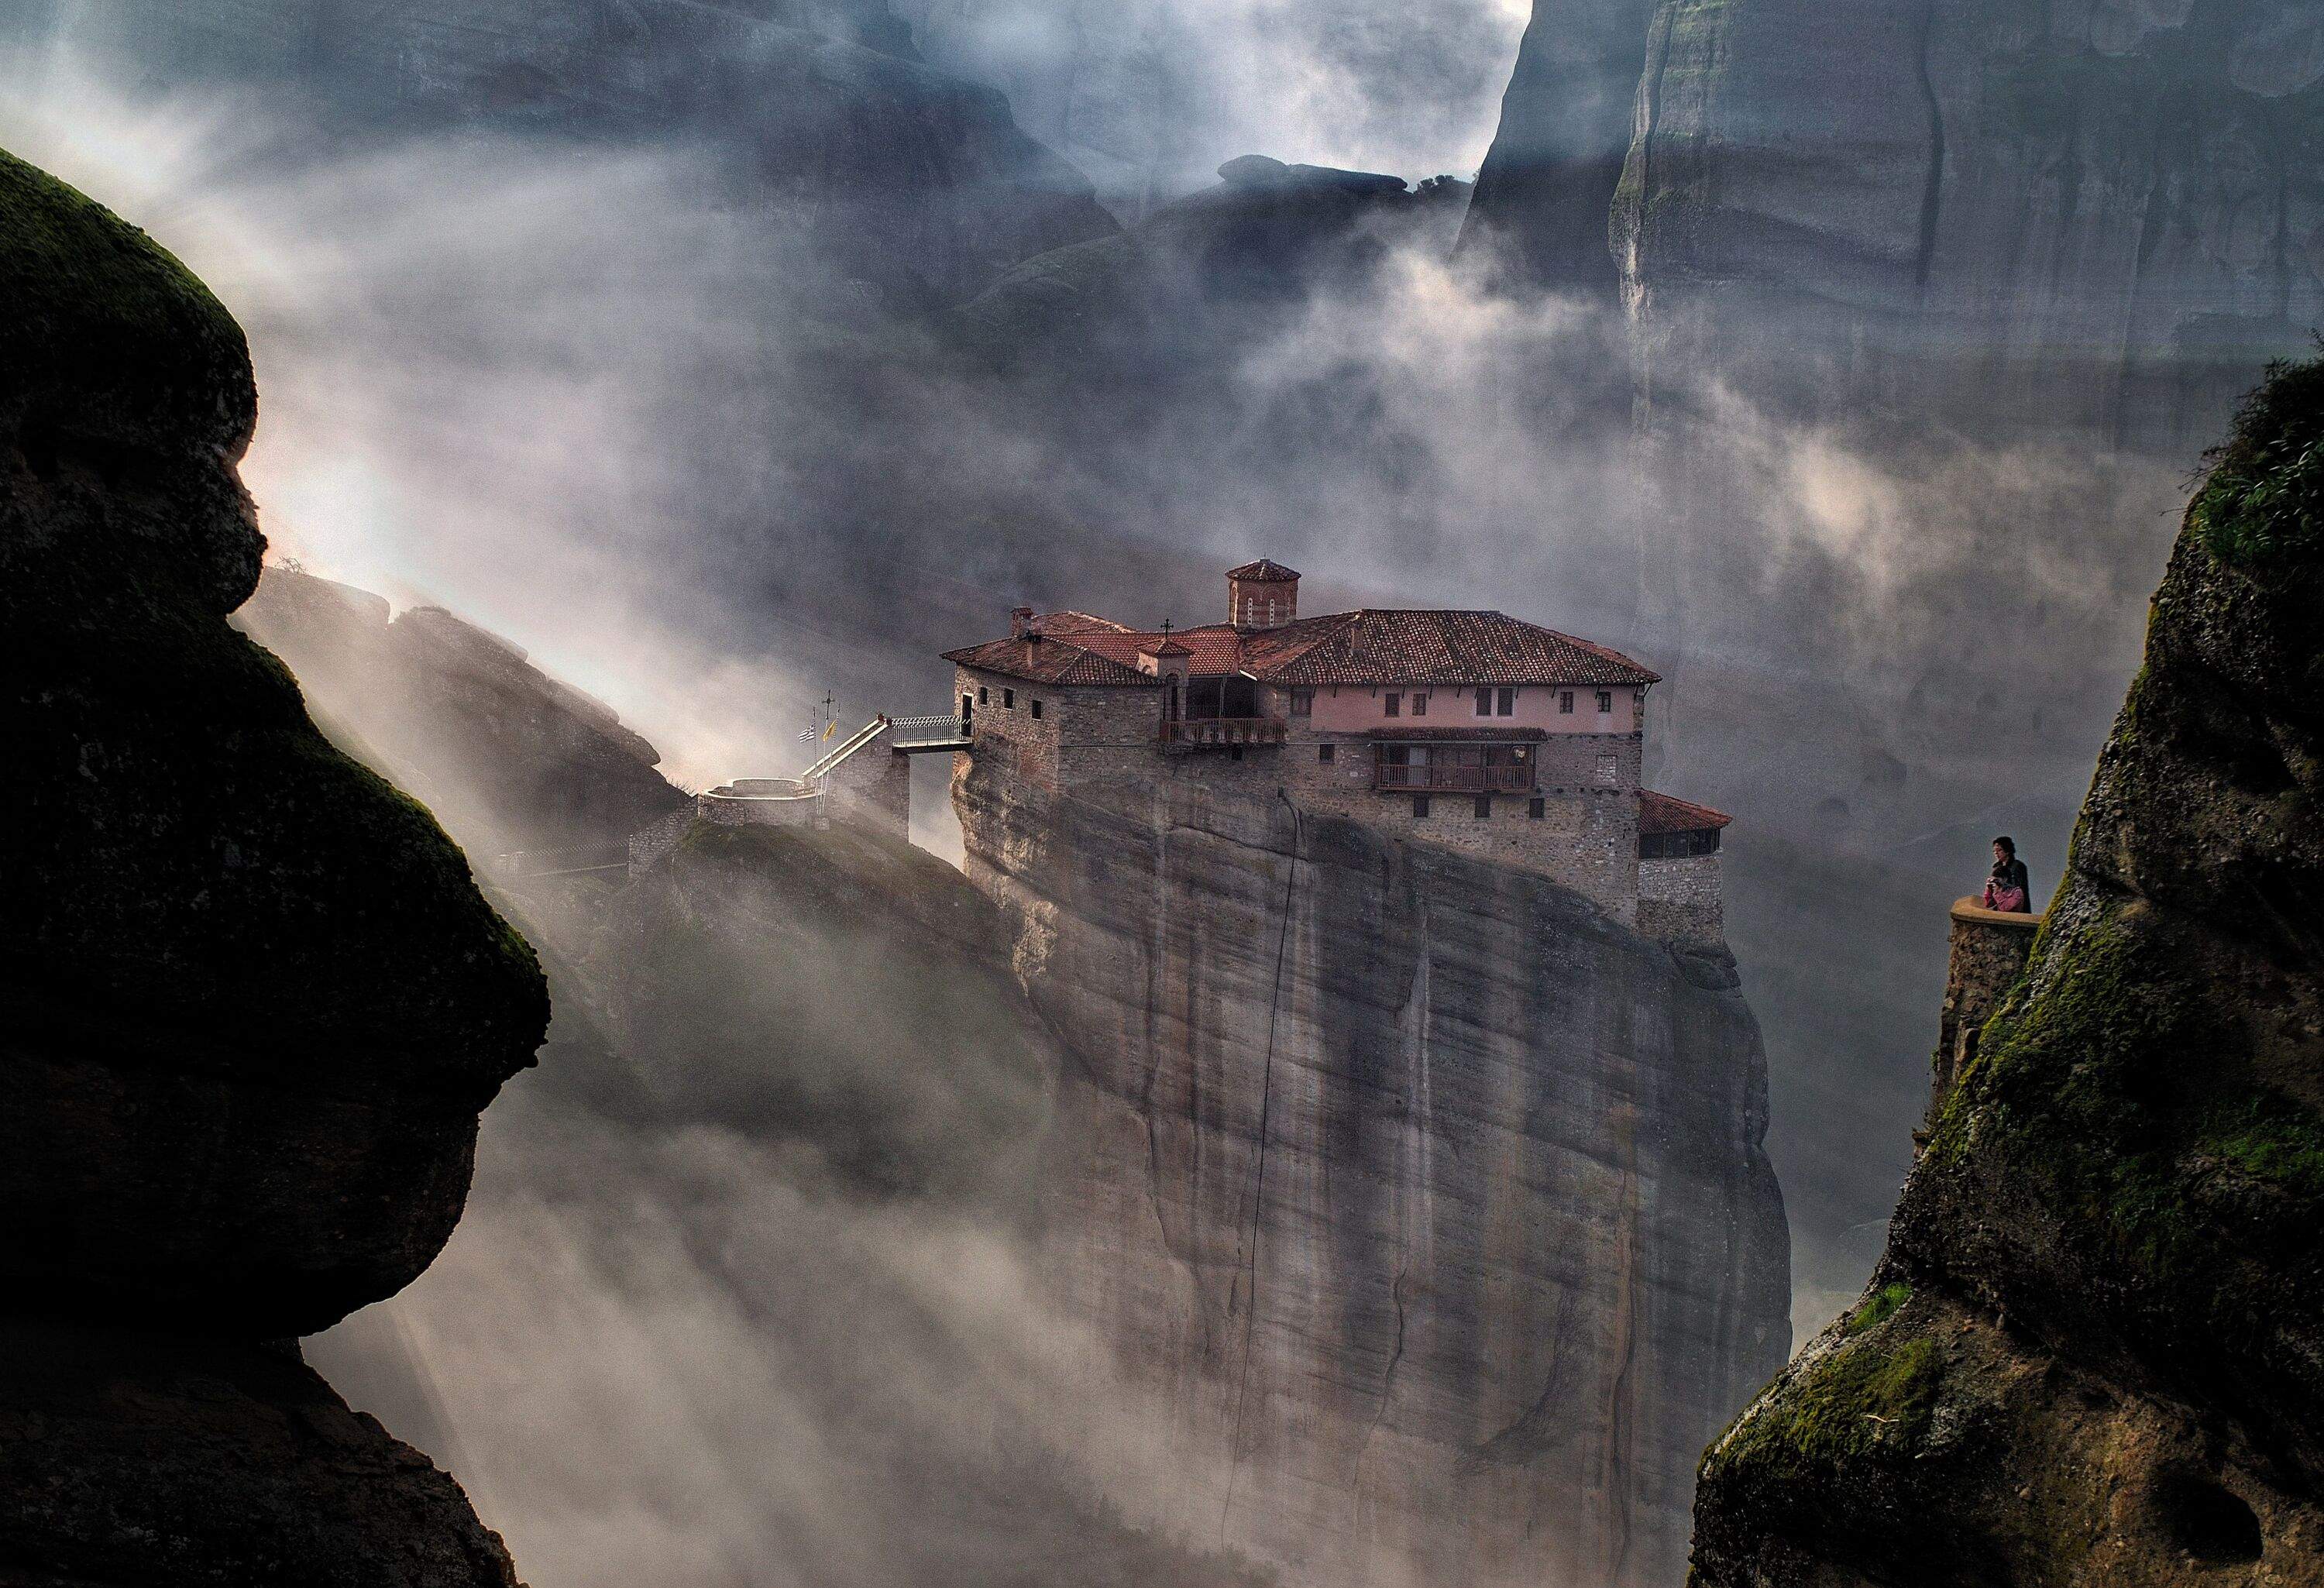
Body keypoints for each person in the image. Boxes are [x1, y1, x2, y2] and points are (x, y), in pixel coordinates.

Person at [1983, 836, 2032, 913]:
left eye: (1999, 850)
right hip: (1999, 906)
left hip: (2016, 908)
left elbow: (2019, 889)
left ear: (2007, 851)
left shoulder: (2018, 866)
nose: (1996, 853)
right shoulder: (1997, 867)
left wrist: (2002, 885)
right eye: (1994, 851)